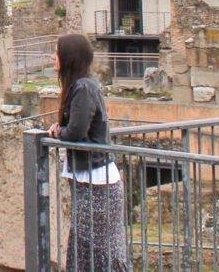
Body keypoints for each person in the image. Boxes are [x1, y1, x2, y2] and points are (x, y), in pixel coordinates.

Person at [50, 33, 129, 272]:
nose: (53, 58)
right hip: (92, 180)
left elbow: (76, 131)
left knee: (97, 252)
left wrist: (57, 132)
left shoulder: (83, 87)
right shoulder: (83, 85)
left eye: (57, 53)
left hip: (98, 183)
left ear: (69, 58)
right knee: (88, 250)